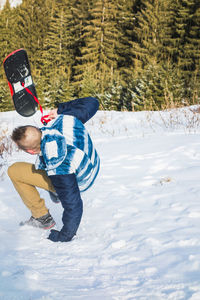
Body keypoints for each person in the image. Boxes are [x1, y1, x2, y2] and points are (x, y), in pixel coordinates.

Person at [8, 97, 100, 242]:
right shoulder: (65, 120)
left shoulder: (59, 167)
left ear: (31, 152)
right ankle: (55, 191)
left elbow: (74, 204)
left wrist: (64, 235)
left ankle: (42, 217)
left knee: (15, 171)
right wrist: (60, 110)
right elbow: (93, 102)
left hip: (80, 179)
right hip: (90, 163)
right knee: (57, 180)